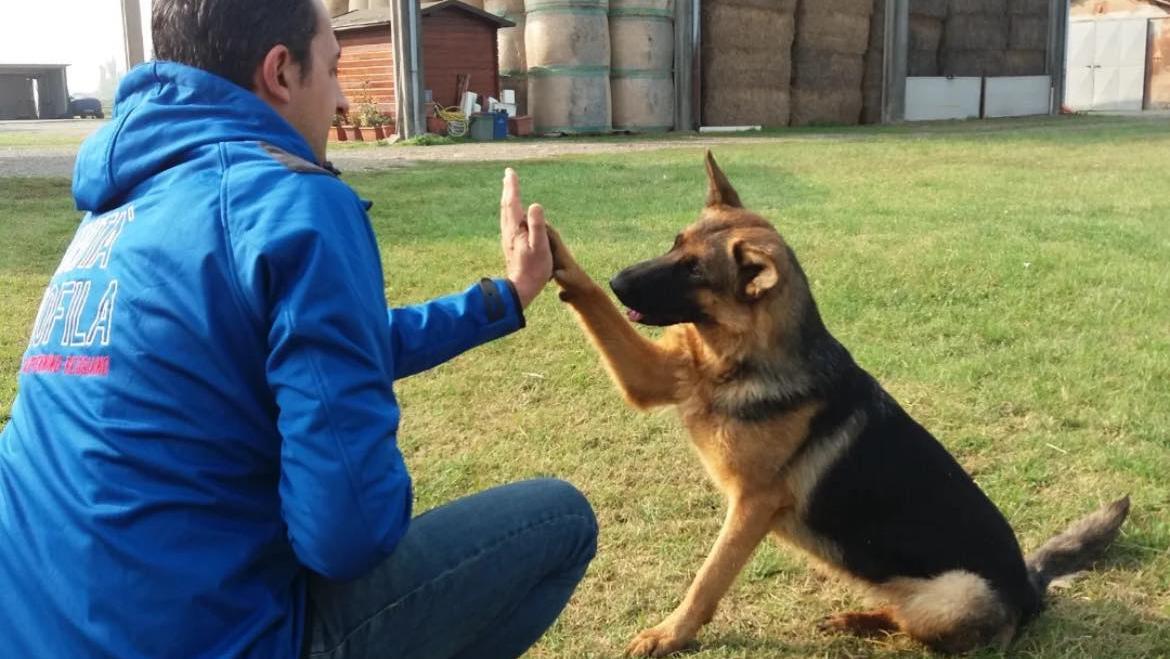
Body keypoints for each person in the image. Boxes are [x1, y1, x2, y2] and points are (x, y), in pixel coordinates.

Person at [0, 0, 597, 656]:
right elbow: (349, 535)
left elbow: (325, 349)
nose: (344, 102)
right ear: (280, 72)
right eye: (336, 71)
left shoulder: (118, 208)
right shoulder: (290, 201)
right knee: (561, 521)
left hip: (40, 632)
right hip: (215, 639)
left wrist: (503, 297)